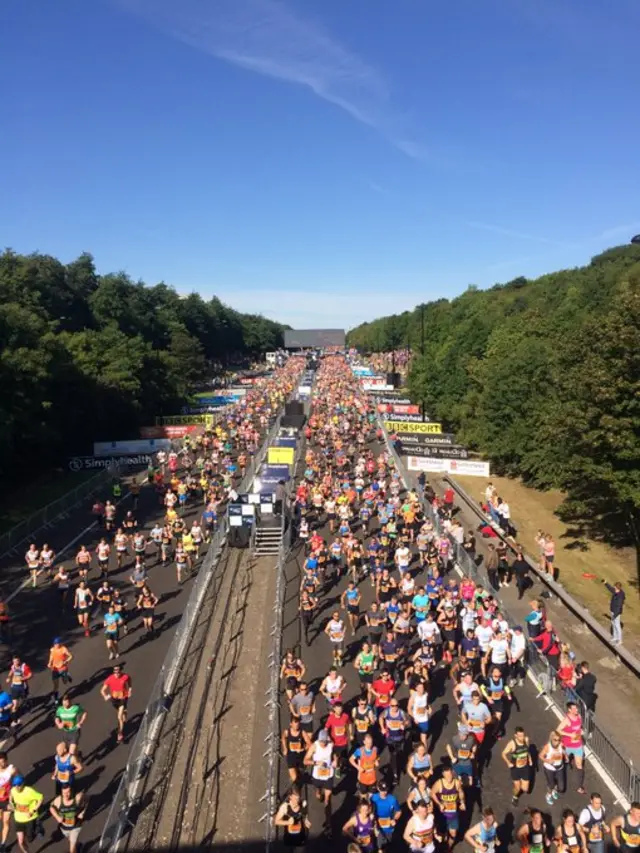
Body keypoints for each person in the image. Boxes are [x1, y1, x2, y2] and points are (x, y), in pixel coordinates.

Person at [9, 775, 44, 853]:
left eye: (19, 785)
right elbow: (11, 797)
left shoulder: (29, 791)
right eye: (15, 785)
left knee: (30, 839)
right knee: (20, 841)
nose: (17, 787)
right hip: (18, 819)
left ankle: (38, 828)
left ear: (23, 784)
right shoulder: (13, 790)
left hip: (29, 819)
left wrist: (33, 810)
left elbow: (40, 798)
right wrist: (11, 803)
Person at [501, 727, 532, 806]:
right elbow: (503, 753)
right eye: (520, 736)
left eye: (523, 735)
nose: (522, 737)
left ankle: (519, 786)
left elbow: (527, 750)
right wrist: (508, 762)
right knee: (517, 788)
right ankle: (515, 796)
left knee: (525, 789)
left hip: (525, 767)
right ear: (515, 735)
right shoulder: (512, 743)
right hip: (516, 768)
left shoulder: (526, 740)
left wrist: (530, 759)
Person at [100, 663, 132, 743]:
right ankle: (124, 711)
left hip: (123, 698)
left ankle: (120, 734)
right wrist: (105, 696)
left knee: (119, 717)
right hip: (114, 699)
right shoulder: (110, 679)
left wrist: (130, 690)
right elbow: (102, 690)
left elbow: (129, 682)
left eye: (118, 671)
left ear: (121, 671)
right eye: (115, 671)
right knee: (121, 713)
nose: (116, 673)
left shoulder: (125, 677)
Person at [371, 780, 401, 847]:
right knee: (377, 846)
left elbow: (399, 811)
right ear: (378, 788)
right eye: (382, 790)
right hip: (377, 826)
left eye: (385, 790)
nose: (384, 792)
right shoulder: (373, 798)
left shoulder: (392, 799)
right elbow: (370, 812)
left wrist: (395, 819)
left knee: (387, 844)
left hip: (388, 827)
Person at [0, 752, 16, 852]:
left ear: (6, 761)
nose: (0, 765)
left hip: (7, 801)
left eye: (2, 762)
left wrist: (14, 790)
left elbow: (20, 780)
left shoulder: (11, 769)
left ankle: (3, 844)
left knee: (6, 822)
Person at [602, 580, 625, 646]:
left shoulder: (620, 596)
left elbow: (618, 607)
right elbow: (611, 589)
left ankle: (620, 640)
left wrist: (615, 615)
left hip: (616, 613)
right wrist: (606, 583)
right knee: (613, 624)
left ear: (618, 588)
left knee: (617, 626)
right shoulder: (616, 591)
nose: (614, 588)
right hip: (613, 611)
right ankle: (615, 637)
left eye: (615, 587)